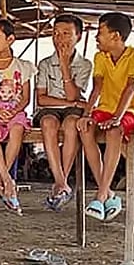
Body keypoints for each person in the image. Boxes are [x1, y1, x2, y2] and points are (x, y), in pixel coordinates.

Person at [78, 12, 134, 222]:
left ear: (116, 36)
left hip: (133, 111)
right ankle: (108, 192)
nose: (96, 37)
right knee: (84, 127)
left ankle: (101, 195)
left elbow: (131, 87)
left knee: (114, 131)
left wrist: (117, 117)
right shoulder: (100, 57)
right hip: (107, 108)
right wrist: (86, 114)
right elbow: (97, 88)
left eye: (100, 32)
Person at [34, 13, 92, 211]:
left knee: (72, 124)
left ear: (78, 36)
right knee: (48, 123)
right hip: (50, 110)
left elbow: (72, 94)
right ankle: (61, 181)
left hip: (72, 111)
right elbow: (42, 99)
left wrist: (65, 66)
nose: (59, 38)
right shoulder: (44, 64)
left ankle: (61, 183)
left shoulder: (85, 64)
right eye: (56, 33)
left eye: (66, 33)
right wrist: (73, 101)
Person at [0, 19, 34, 214]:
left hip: (15, 110)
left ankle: (1, 177)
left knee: (17, 130)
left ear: (10, 39)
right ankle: (7, 180)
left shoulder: (24, 66)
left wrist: (14, 111)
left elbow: (26, 98)